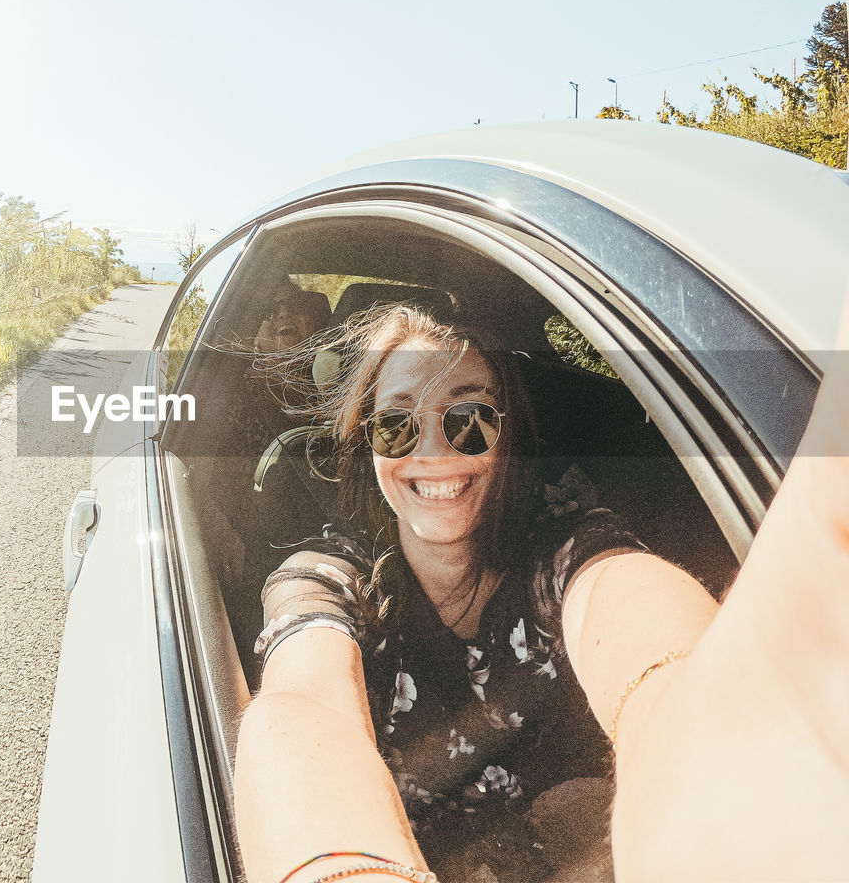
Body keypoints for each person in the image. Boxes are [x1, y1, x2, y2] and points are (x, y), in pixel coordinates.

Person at [233, 296, 849, 883]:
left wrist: (697, 737)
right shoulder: (328, 578)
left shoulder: (562, 551)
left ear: (508, 434)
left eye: (467, 418)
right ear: (366, 443)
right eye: (396, 424)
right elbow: (306, 706)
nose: (434, 450)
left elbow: (625, 606)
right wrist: (339, 863)